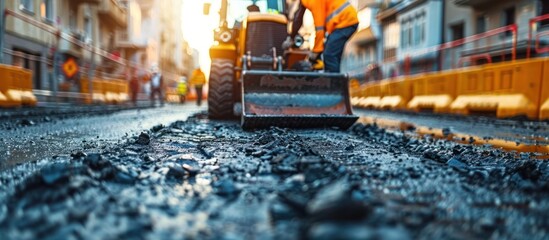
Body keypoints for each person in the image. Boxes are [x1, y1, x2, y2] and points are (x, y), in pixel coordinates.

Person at [285, 0, 358, 73]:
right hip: (344, 21)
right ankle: (336, 79)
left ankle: (334, 83)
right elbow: (299, 18)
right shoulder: (309, 2)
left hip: (345, 21)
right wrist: (292, 37)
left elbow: (320, 30)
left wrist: (315, 52)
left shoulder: (313, 2)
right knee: (332, 54)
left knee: (329, 55)